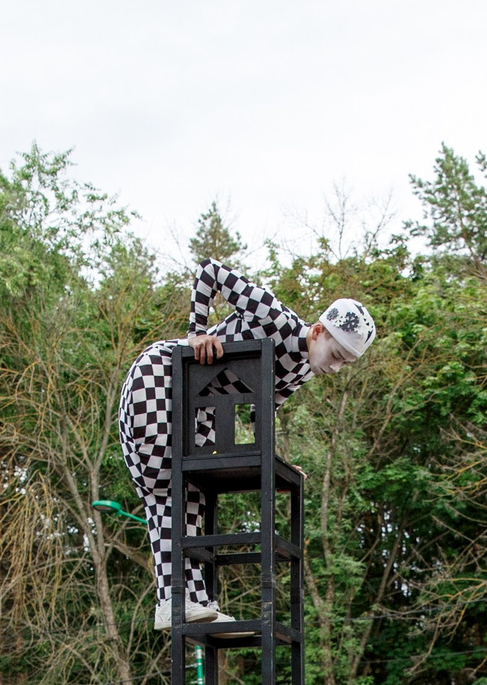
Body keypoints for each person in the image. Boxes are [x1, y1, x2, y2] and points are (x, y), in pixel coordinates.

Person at [119, 260, 372, 629]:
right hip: (161, 378)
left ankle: (196, 599)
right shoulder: (275, 317)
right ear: (318, 331)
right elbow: (211, 272)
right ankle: (170, 599)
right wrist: (197, 332)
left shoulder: (302, 368)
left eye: (344, 364)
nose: (334, 369)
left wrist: (275, 458)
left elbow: (262, 412)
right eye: (335, 356)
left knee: (193, 496)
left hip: (199, 406)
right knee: (165, 487)